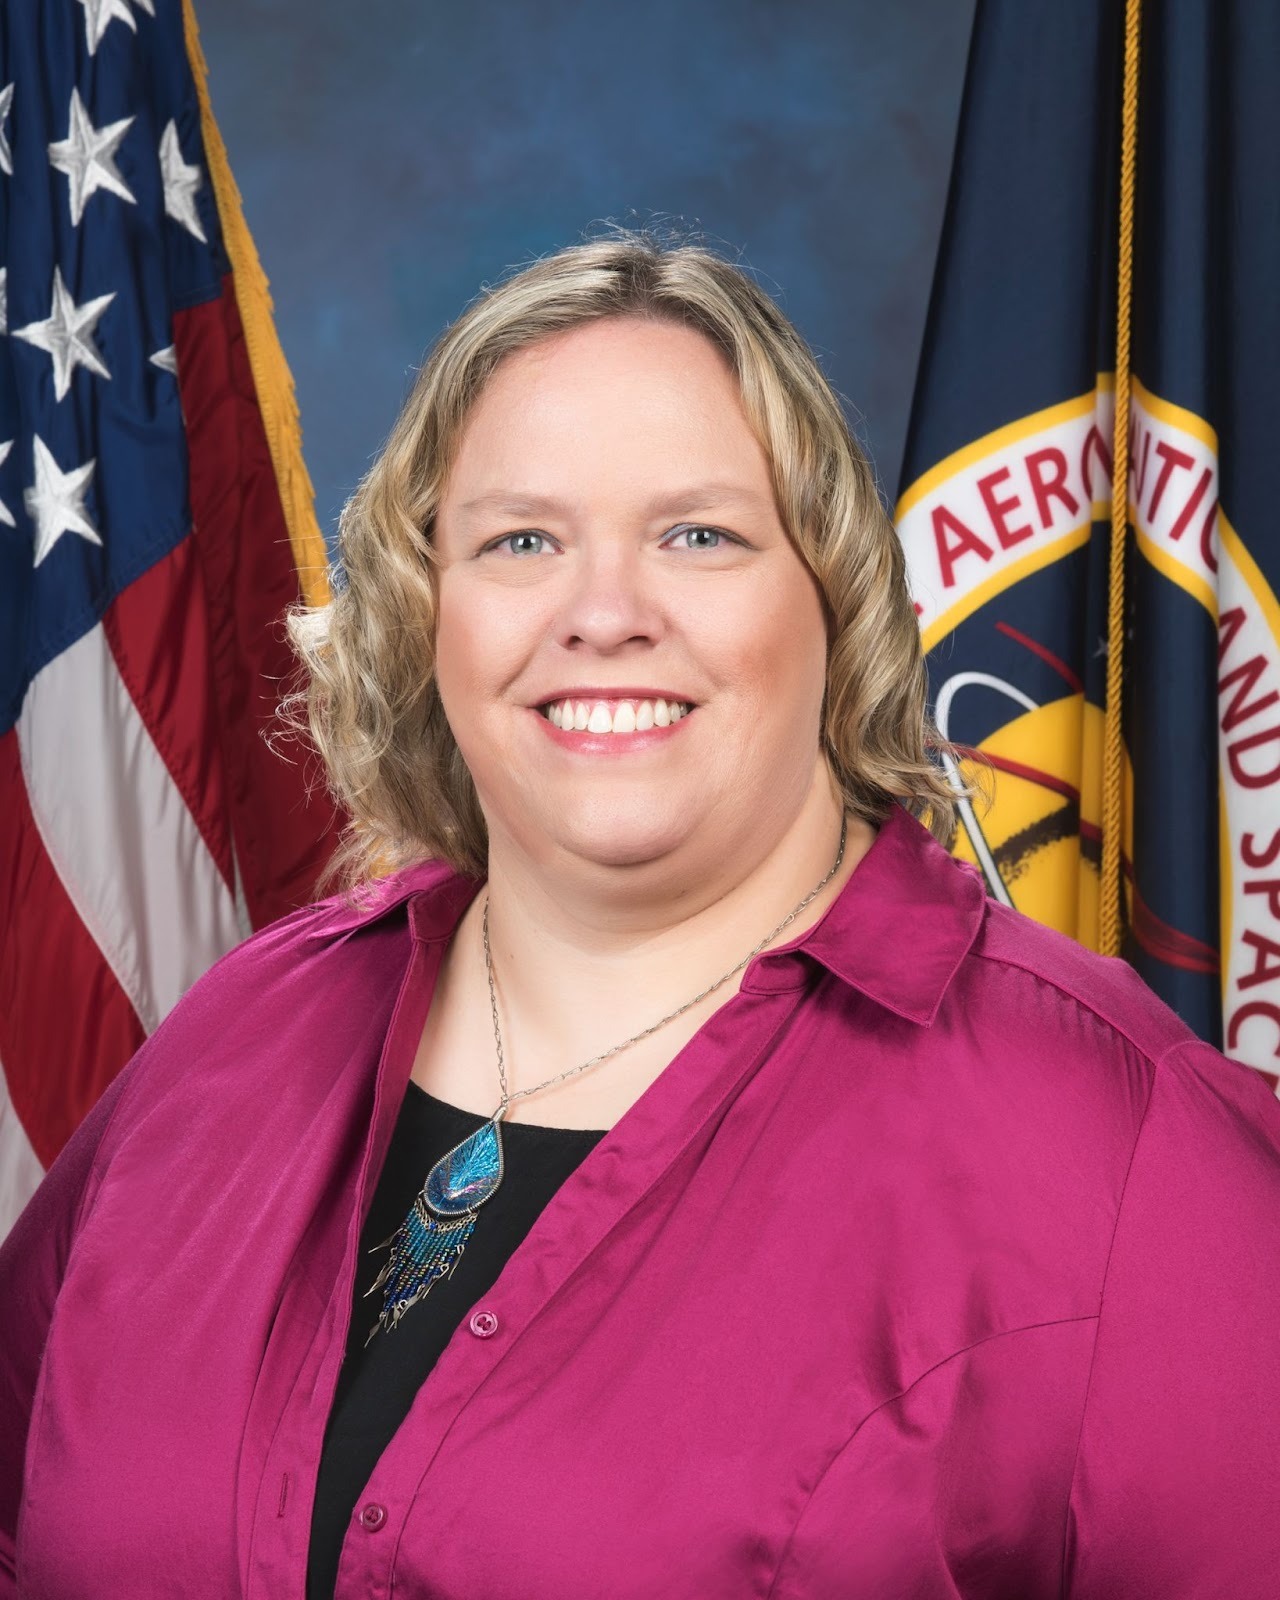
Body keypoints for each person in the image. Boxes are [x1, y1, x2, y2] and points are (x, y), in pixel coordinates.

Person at [3, 227, 1279, 1600]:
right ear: (429, 612)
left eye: (699, 534)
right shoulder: (236, 1038)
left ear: (834, 600)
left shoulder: (1133, 1151)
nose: (602, 612)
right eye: (521, 539)